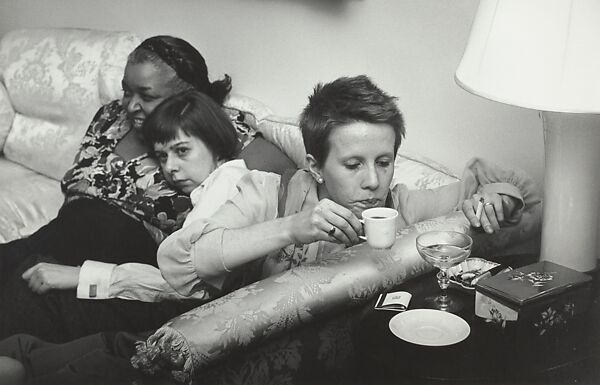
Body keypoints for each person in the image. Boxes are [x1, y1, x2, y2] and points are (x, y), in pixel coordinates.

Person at [0, 75, 540, 384]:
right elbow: (184, 261)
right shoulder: (265, 192)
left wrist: (502, 196)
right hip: (201, 338)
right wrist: (293, 228)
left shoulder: (400, 205)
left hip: (299, 364)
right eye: (353, 165)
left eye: (385, 160)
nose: (373, 181)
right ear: (314, 163)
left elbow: (502, 198)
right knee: (56, 362)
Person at [0, 35, 291, 341]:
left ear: (187, 95)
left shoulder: (213, 128)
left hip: (124, 253)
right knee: (18, 265)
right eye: (127, 90)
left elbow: (289, 181)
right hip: (62, 234)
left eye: (147, 95)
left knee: (25, 286)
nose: (131, 104)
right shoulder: (112, 117)